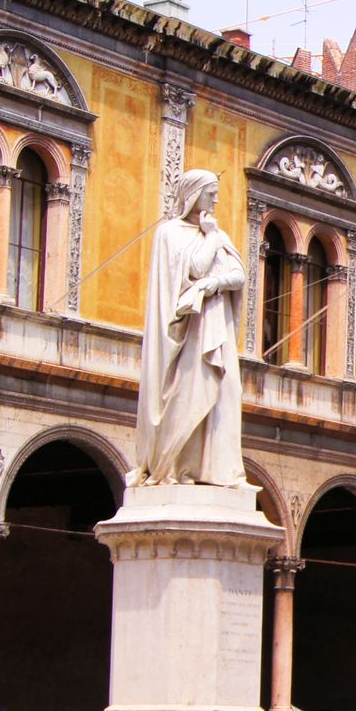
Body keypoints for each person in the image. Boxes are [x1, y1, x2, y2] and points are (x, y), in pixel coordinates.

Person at [128, 169, 246, 487]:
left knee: (227, 393)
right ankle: (183, 469)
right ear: (193, 194)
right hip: (189, 333)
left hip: (215, 327)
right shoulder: (170, 233)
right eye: (211, 193)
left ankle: (221, 470)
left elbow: (239, 275)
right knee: (190, 396)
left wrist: (214, 282)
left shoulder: (217, 234)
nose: (216, 199)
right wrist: (210, 239)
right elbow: (193, 268)